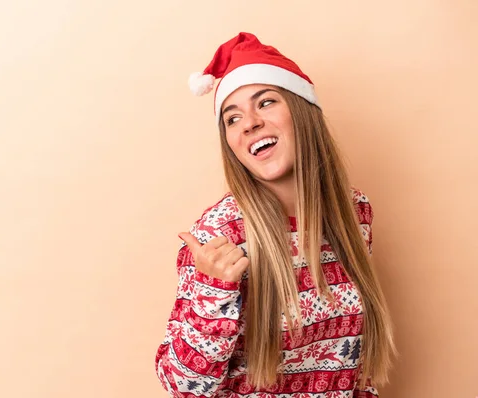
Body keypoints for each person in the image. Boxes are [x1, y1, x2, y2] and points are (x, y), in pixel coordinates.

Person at [154, 32, 397, 397]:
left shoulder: (354, 213)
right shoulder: (219, 235)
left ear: (302, 111)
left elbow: (351, 368)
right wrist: (213, 289)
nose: (249, 123)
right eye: (232, 119)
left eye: (265, 102)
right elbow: (182, 386)